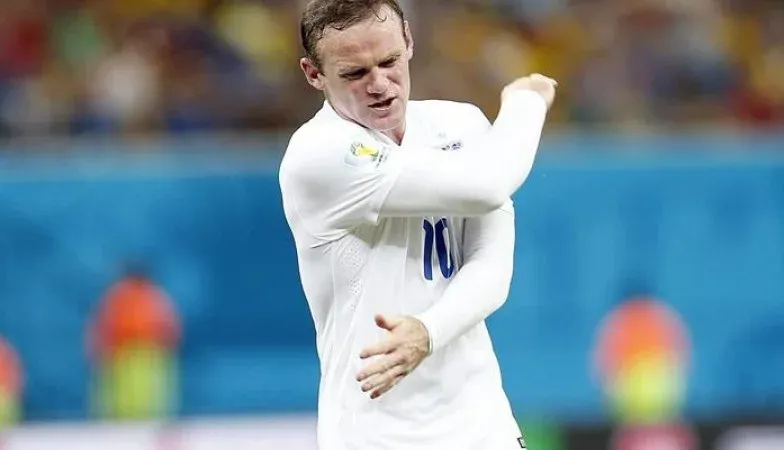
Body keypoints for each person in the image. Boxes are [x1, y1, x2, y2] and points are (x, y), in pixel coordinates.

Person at [279, 1, 557, 449]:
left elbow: (491, 268)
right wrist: (526, 102)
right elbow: (489, 183)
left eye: (388, 61)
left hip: (483, 429)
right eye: (355, 73)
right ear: (314, 74)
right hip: (376, 436)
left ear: (408, 40)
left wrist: (428, 332)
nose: (379, 85)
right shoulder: (318, 154)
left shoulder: (460, 124)